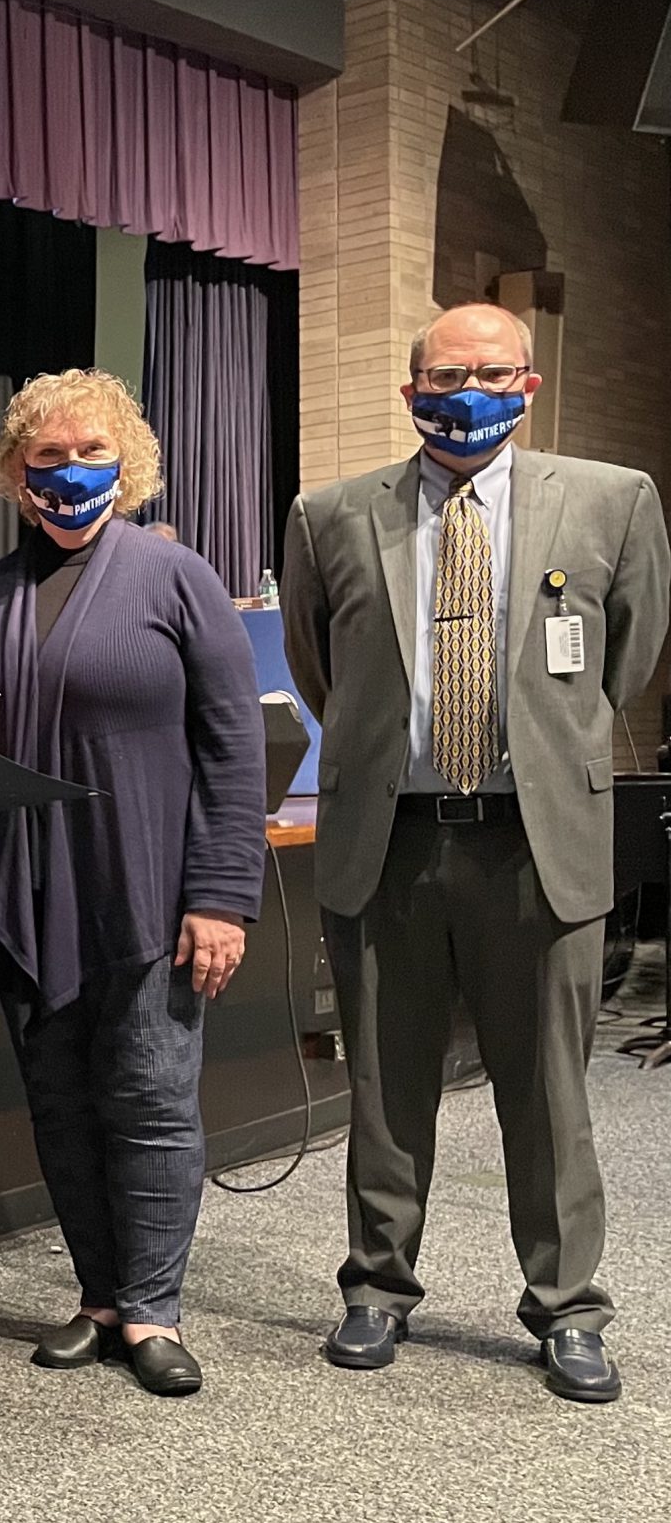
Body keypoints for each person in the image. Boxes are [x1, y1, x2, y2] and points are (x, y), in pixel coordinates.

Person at [283, 302, 670, 1404]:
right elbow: (323, 673)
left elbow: (625, 658)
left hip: (533, 844)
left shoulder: (610, 500)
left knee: (547, 1091)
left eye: (492, 373)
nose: (467, 390)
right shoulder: (329, 515)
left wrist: (544, 747)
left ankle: (566, 1307)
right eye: (445, 373)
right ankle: (375, 1286)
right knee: (383, 1083)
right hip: (387, 842)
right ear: (407, 389)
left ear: (529, 384)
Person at [0, 370, 263, 1397]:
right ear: (12, 472)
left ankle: (154, 1310)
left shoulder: (177, 581)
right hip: (24, 895)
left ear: (127, 464)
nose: (68, 474)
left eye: (89, 453)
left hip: (149, 895)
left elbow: (233, 743)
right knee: (62, 1107)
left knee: (153, 1102)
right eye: (46, 458)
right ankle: (98, 1297)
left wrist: (220, 894)